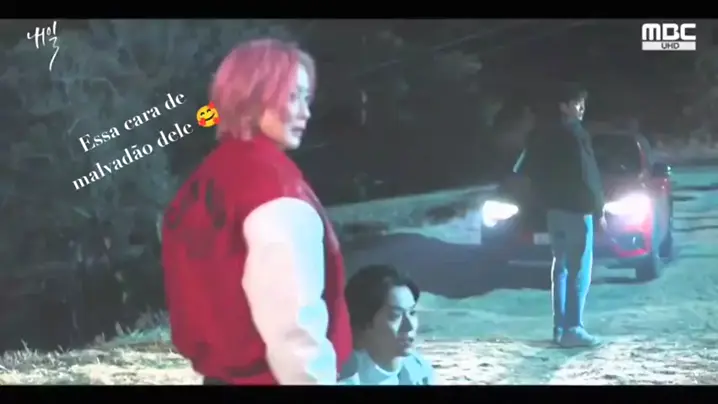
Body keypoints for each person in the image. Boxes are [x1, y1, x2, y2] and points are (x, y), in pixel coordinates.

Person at [161, 38, 352, 385]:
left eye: (306, 98)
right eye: (292, 96)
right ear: (254, 96)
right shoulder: (271, 184)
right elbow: (294, 322)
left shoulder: (208, 178)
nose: (306, 112)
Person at [519, 82, 604, 348]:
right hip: (577, 210)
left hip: (554, 210)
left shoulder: (540, 135)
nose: (581, 108)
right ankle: (573, 328)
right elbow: (588, 175)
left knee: (561, 267)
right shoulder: (576, 134)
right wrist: (598, 207)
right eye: (576, 103)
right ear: (563, 107)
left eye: (582, 103)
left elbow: (524, 169)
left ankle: (560, 327)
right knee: (579, 268)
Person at [339, 265, 437, 385]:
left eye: (412, 312)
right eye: (395, 316)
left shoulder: (419, 371)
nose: (409, 326)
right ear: (364, 321)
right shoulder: (341, 376)